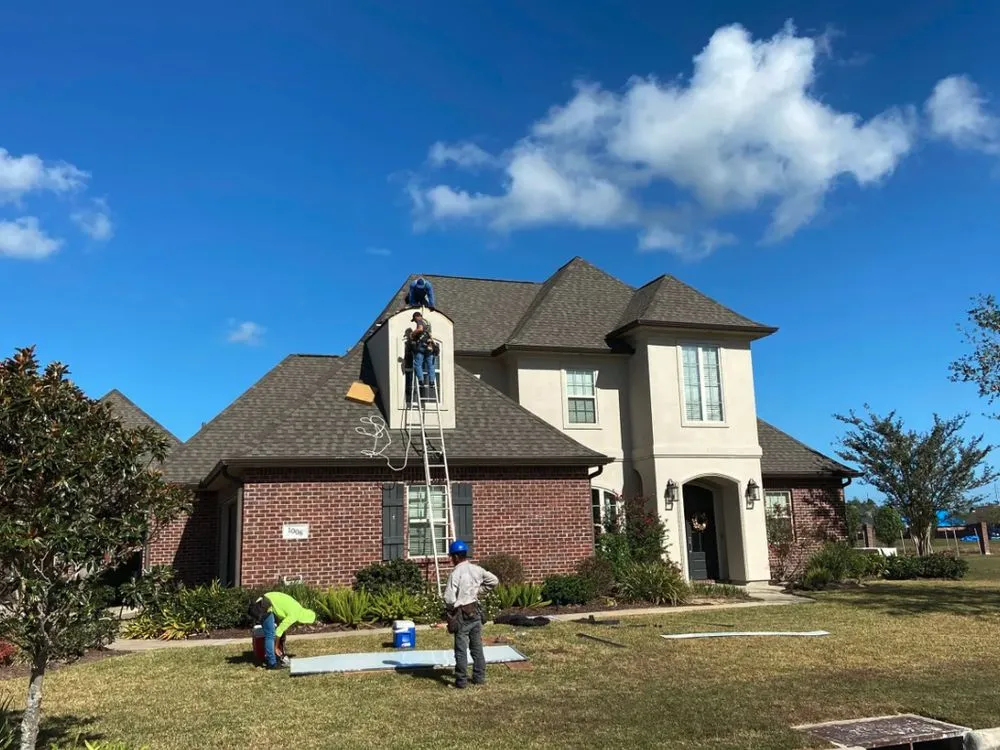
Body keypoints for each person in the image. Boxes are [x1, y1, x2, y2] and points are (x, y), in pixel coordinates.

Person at [443, 540, 499, 688]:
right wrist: (478, 591)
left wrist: (450, 610)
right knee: (477, 647)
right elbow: (494, 581)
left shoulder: (455, 573)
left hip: (461, 614)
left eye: (451, 556)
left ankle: (461, 681)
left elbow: (449, 598)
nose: (451, 559)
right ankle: (479, 678)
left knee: (461, 650)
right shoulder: (477, 569)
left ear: (455, 556)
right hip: (475, 611)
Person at [248, 591, 317, 669]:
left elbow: (281, 626)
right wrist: (276, 647)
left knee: (271, 634)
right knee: (270, 634)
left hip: (266, 601)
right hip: (264, 605)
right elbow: (278, 632)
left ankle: (274, 657)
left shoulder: (298, 608)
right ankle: (272, 664)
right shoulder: (294, 616)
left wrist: (281, 641)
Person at [410, 311, 439, 401]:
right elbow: (429, 334)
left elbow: (420, 329)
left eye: (415, 320)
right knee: (431, 365)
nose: (415, 321)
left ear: (417, 317)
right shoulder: (427, 322)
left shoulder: (420, 321)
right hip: (429, 346)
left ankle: (421, 381)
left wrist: (412, 334)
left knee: (418, 364)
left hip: (422, 346)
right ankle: (431, 382)